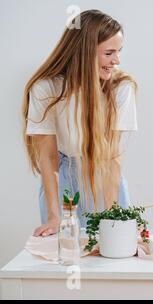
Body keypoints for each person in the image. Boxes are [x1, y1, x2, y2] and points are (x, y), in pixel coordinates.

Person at [23, 10, 137, 236]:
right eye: (109, 53)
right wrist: (55, 216)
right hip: (63, 177)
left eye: (119, 51)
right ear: (84, 52)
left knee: (112, 249)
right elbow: (48, 156)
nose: (117, 60)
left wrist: (111, 213)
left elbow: (113, 157)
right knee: (64, 249)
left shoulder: (121, 88)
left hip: (104, 174)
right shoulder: (46, 89)